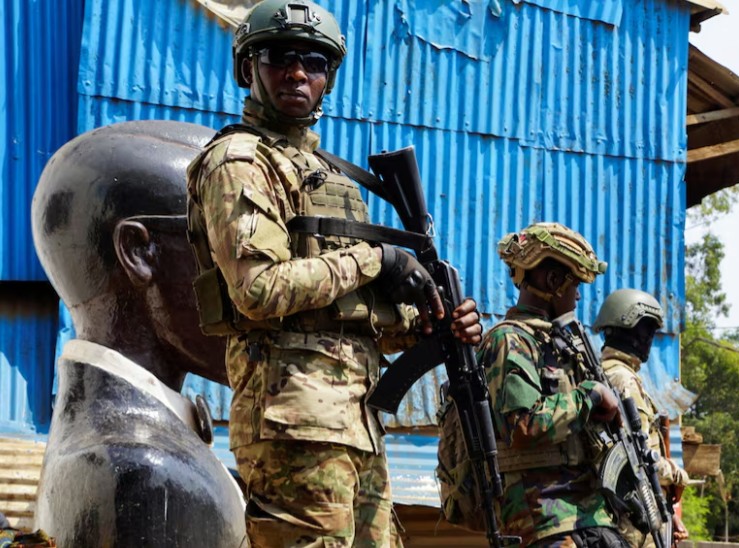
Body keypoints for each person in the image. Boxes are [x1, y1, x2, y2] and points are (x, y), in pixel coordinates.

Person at [185, 1, 482, 546]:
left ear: (329, 78)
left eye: (315, 62)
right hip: (291, 421)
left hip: (357, 422)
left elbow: (349, 317)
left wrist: (426, 327)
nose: (298, 72)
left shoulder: (332, 178)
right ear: (248, 68)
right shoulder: (239, 161)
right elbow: (258, 290)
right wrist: (377, 259)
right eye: (280, 56)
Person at [30, 120, 247, 547]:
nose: (257, 286)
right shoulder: (148, 470)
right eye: (231, 250)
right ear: (138, 252)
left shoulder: (117, 445)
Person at [479, 222, 631, 547]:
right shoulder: (510, 340)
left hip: (590, 515)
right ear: (553, 281)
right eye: (574, 284)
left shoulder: (560, 344)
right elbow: (524, 424)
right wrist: (589, 395)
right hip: (545, 520)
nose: (577, 295)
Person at [593, 289, 693, 548]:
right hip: (629, 521)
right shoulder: (623, 380)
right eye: (644, 328)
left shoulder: (607, 373)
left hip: (625, 513)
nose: (649, 338)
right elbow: (638, 458)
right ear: (623, 328)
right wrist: (677, 474)